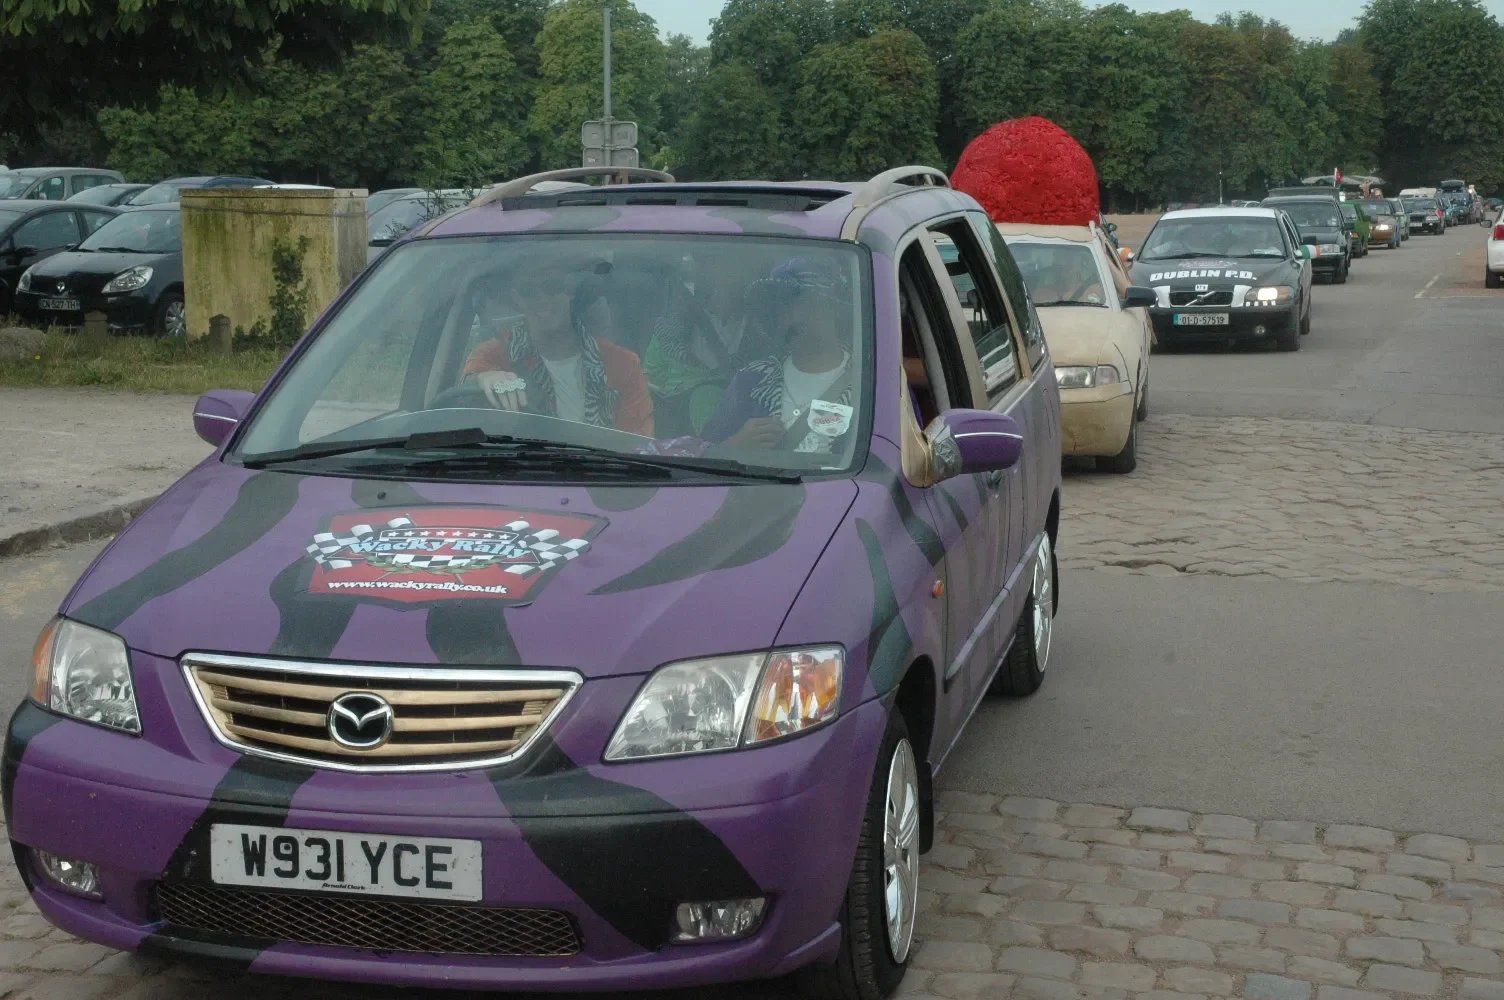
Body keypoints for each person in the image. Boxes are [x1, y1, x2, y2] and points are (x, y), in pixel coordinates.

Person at [462, 255, 654, 436]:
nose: (542, 299)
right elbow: (467, 389)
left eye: (552, 287)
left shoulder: (623, 364)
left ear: (570, 290)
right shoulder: (494, 355)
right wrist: (484, 378)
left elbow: (637, 446)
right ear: (517, 299)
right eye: (528, 291)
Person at [701, 257, 856, 454]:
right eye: (783, 305)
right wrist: (736, 445)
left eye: (805, 301)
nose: (793, 315)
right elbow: (705, 456)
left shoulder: (868, 386)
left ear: (834, 307)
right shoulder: (750, 381)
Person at [642, 252, 761, 436]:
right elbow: (651, 377)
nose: (721, 279)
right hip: (679, 436)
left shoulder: (762, 330)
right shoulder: (671, 326)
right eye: (710, 267)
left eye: (730, 272)